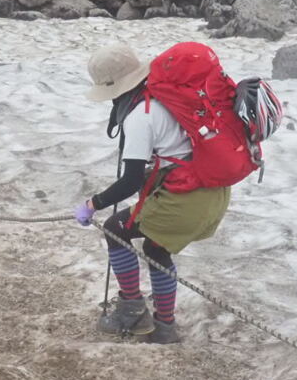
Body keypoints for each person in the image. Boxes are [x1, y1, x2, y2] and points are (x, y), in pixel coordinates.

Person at [74, 43, 232, 345]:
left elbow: (130, 181)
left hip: (187, 200)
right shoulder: (170, 98)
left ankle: (132, 311)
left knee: (115, 229)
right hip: (214, 193)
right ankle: (164, 327)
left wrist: (91, 205)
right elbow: (179, 151)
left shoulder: (140, 116)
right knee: (156, 250)